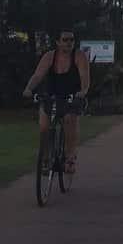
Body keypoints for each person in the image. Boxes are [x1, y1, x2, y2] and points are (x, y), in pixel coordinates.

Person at [22, 29, 92, 174]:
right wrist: (29, 89)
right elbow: (38, 75)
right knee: (44, 128)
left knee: (69, 121)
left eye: (72, 40)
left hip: (72, 96)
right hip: (51, 95)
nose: (69, 43)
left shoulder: (79, 56)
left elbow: (85, 78)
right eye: (65, 40)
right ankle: (46, 159)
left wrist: (83, 91)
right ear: (57, 42)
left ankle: (70, 157)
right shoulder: (49, 57)